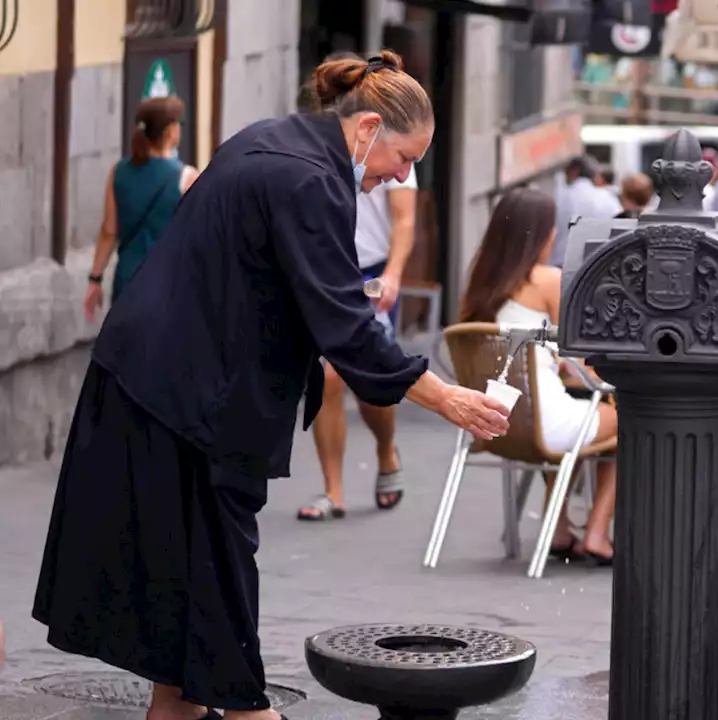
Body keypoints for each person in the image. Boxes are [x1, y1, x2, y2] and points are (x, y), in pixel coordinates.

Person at [33, 52, 509, 720]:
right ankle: (246, 709)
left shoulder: (273, 140)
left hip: (160, 379)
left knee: (187, 581)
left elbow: (263, 273)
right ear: (367, 125)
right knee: (215, 570)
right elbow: (345, 325)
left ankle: (182, 704)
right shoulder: (308, 178)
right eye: (403, 157)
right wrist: (446, 395)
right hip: (184, 393)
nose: (404, 176)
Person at [460, 187, 620, 563]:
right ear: (542, 235)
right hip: (541, 420)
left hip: (496, 422)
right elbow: (583, 353)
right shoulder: (548, 280)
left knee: (579, 417)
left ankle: (560, 528)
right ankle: (596, 533)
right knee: (630, 419)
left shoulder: (479, 285)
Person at [295, 52, 418, 521]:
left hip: (372, 272)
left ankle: (387, 450)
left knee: (370, 381)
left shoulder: (395, 150)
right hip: (333, 268)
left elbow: (405, 222)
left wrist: (393, 277)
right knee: (326, 378)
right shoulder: (328, 146)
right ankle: (333, 489)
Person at [84, 96, 200, 320]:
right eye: (179, 123)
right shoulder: (187, 178)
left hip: (127, 281)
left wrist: (95, 279)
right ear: (170, 131)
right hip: (169, 285)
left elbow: (109, 231)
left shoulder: (118, 172)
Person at [550, 155, 621, 267]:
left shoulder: (559, 197)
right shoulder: (609, 199)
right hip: (595, 265)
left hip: (560, 265)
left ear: (574, 171)